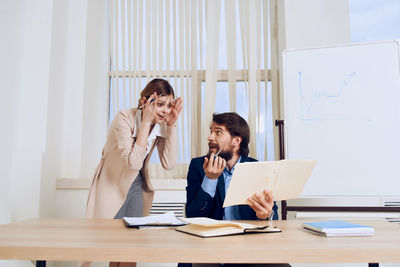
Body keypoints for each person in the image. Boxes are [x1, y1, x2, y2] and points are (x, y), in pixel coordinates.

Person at [84, 78, 183, 267]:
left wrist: (171, 126)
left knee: (132, 247)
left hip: (135, 185)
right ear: (145, 101)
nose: (165, 110)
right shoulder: (123, 117)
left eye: (169, 105)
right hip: (112, 184)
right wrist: (146, 122)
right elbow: (132, 163)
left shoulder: (162, 123)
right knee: (114, 244)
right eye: (160, 104)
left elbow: (169, 164)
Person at [182, 112, 290, 267]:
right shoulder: (198, 166)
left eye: (218, 132)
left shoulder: (256, 168)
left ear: (236, 141)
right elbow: (193, 215)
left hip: (248, 246)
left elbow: (273, 215)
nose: (210, 137)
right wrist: (210, 180)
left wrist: (266, 215)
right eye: (211, 131)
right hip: (210, 245)